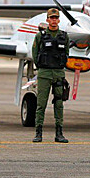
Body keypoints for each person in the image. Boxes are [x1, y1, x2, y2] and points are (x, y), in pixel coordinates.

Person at [31, 8, 70, 143]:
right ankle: (38, 132)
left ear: (59, 20)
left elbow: (66, 53)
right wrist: (43, 67)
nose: (53, 20)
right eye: (51, 18)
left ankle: (59, 133)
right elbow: (35, 54)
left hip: (58, 73)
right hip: (44, 74)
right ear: (47, 20)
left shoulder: (64, 36)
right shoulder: (40, 36)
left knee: (59, 104)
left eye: (56, 18)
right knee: (41, 104)